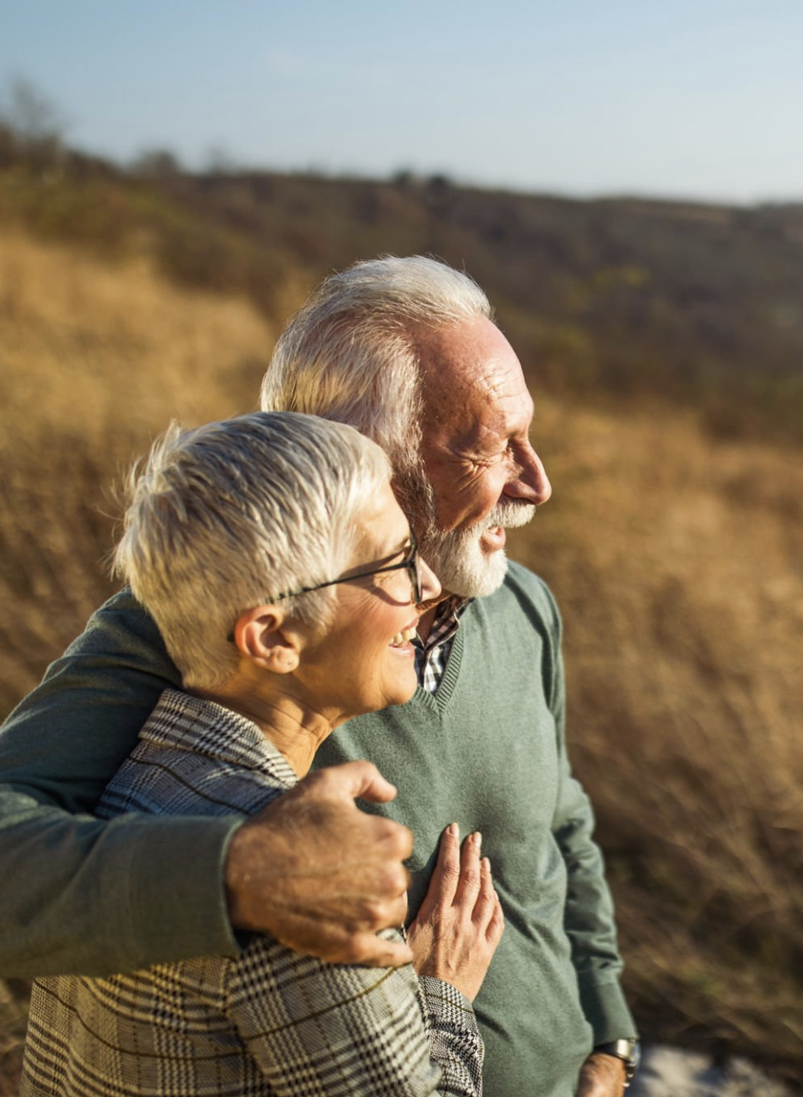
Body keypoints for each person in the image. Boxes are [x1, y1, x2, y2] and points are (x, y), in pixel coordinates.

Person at [0, 257, 638, 1096]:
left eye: (529, 436)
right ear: (357, 455)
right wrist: (239, 873)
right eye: (489, 446)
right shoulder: (194, 629)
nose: (537, 483)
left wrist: (610, 1041)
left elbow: (561, 827)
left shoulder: (523, 604)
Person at [21, 411, 503, 1095]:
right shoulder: (308, 892)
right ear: (273, 637)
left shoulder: (111, 788)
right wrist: (441, 993)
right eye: (395, 561)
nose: (427, 587)